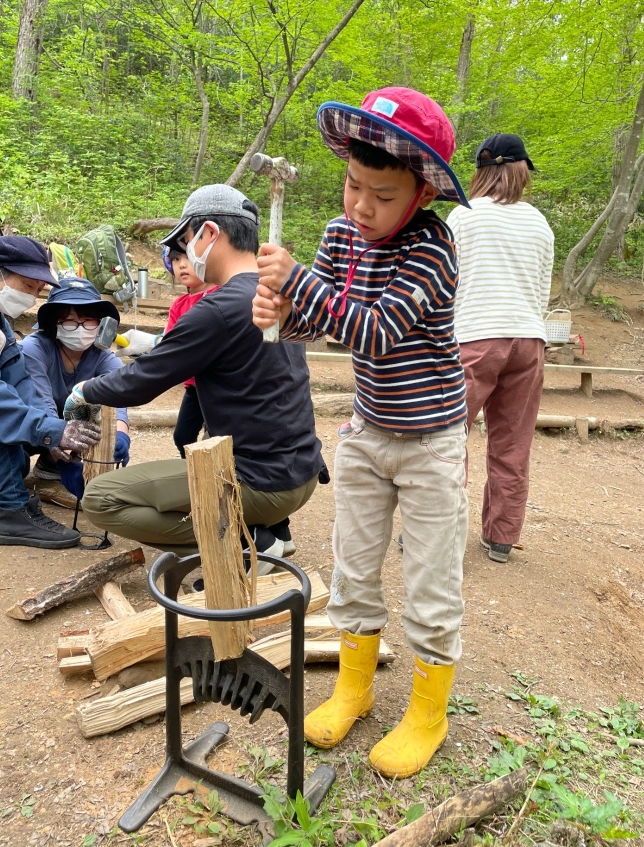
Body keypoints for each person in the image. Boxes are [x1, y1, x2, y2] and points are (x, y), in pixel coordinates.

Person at [252, 87, 470, 778]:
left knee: (431, 582)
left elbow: (374, 334)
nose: (360, 206)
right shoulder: (340, 235)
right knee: (352, 566)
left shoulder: (434, 248)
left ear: (423, 194)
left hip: (432, 441)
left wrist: (299, 283)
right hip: (368, 430)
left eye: (382, 195)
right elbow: (319, 321)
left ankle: (428, 713)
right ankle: (354, 688)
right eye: (352, 185)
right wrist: (282, 310)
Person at [66, 184, 325, 574]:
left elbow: (141, 382)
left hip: (261, 483)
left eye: (186, 242)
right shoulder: (273, 295)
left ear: (209, 233)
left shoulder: (217, 308)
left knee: (102, 498)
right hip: (302, 471)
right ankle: (265, 534)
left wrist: (84, 390)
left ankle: (247, 541)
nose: (185, 254)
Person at [446, 133, 554, 563]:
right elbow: (541, 292)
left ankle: (442, 530)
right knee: (513, 443)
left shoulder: (463, 216)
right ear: (520, 170)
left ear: (481, 171)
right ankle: (502, 537)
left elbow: (447, 285)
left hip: (475, 336)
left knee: (448, 436)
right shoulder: (540, 224)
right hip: (528, 340)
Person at [0, 236, 101, 549]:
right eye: (27, 285)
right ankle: (11, 512)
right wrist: (53, 430)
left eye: (38, 290)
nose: (30, 296)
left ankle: (13, 504)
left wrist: (53, 434)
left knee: (18, 438)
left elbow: (19, 381)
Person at [21, 277, 131, 509]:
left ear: (100, 324)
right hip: (31, 426)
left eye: (88, 321)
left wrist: (120, 436)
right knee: (14, 465)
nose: (80, 328)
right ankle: (53, 460)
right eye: (70, 321)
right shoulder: (34, 349)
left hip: (72, 430)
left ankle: (50, 463)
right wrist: (64, 460)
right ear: (54, 323)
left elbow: (117, 400)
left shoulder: (104, 358)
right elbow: (41, 405)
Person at [161, 245, 218, 457]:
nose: (182, 265)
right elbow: (170, 342)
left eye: (188, 258)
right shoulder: (179, 305)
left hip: (220, 384)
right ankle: (191, 470)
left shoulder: (220, 295)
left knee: (215, 436)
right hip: (194, 386)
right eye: (176, 260)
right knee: (182, 436)